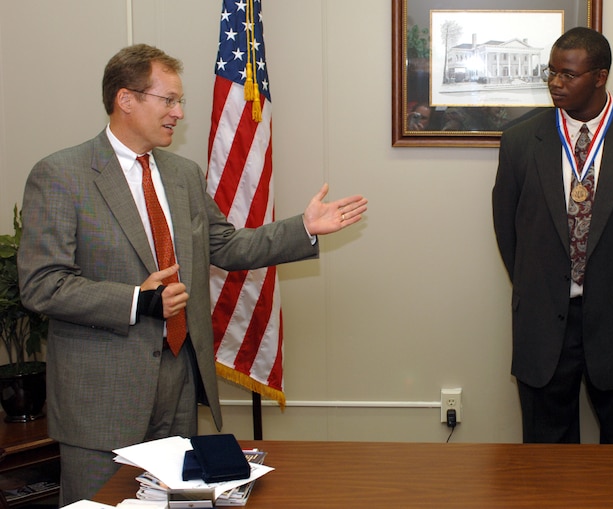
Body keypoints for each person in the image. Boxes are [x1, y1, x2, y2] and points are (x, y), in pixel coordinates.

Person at [16, 44, 368, 504]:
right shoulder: (61, 174)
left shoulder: (183, 175)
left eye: (180, 102)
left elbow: (225, 245)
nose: (179, 113)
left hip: (179, 383)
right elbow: (43, 285)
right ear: (126, 99)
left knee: (175, 501)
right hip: (102, 399)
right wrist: (136, 301)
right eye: (169, 100)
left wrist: (302, 228)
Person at [492, 27, 613, 444]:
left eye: (568, 74)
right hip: (544, 324)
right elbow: (509, 233)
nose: (555, 83)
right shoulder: (520, 141)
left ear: (600, 76)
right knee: (547, 464)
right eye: (551, 72)